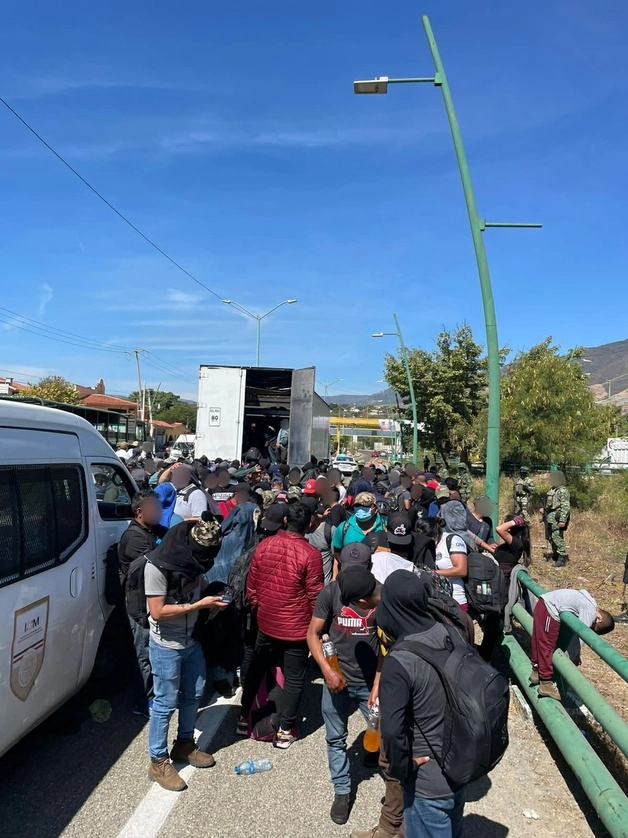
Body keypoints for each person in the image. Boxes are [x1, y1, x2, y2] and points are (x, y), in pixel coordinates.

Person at [377, 571, 465, 838]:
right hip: (458, 765)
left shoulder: (399, 660)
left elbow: (391, 731)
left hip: (426, 783)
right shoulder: (449, 633)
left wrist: (402, 769)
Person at [145, 516, 228, 791]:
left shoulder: (194, 562)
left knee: (193, 695)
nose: (206, 561)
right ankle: (158, 761)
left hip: (191, 641)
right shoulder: (156, 567)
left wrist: (216, 596)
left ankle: (184, 744)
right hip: (166, 645)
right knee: (165, 703)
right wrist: (199, 605)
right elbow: (157, 611)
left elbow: (199, 589)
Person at [237, 502, 324, 748]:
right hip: (296, 628)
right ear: (309, 525)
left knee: (257, 668)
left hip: (266, 622)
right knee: (295, 677)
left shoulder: (264, 545)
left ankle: (244, 717)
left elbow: (251, 586)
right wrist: (317, 626)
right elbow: (315, 595)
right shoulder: (311, 554)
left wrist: (261, 608)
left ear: (285, 521)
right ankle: (286, 729)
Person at [307, 565, 380, 825]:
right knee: (335, 738)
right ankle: (341, 792)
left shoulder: (381, 601)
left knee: (385, 733)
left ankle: (396, 790)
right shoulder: (331, 593)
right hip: (337, 681)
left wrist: (377, 685)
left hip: (371, 684)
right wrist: (327, 671)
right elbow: (312, 633)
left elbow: (389, 647)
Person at [118, 490, 168, 717]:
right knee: (143, 651)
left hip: (151, 600)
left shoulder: (152, 530)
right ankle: (143, 701)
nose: (159, 513)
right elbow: (160, 563)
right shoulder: (135, 538)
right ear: (139, 512)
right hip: (137, 604)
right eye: (153, 509)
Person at [531, 588, 614, 699]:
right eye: (593, 626)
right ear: (599, 619)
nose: (591, 624)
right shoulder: (590, 612)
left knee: (538, 640)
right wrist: (572, 656)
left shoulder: (590, 601)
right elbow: (580, 635)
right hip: (550, 611)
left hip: (543, 603)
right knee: (547, 646)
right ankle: (546, 683)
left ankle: (536, 671)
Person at [332, 492, 385, 572]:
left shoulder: (384, 527)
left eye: (365, 506)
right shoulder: (344, 528)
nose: (360, 509)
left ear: (376, 508)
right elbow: (337, 553)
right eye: (357, 506)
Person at [435, 503, 469, 611]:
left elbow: (461, 570)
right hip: (440, 600)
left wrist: (432, 573)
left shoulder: (454, 539)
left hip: (456, 600)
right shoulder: (439, 539)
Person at [540, 471, 571, 567]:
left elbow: (565, 507)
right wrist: (544, 509)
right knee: (550, 537)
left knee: (557, 537)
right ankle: (555, 554)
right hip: (549, 517)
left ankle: (561, 557)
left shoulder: (563, 491)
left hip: (557, 518)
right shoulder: (553, 489)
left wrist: (562, 520)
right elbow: (551, 503)